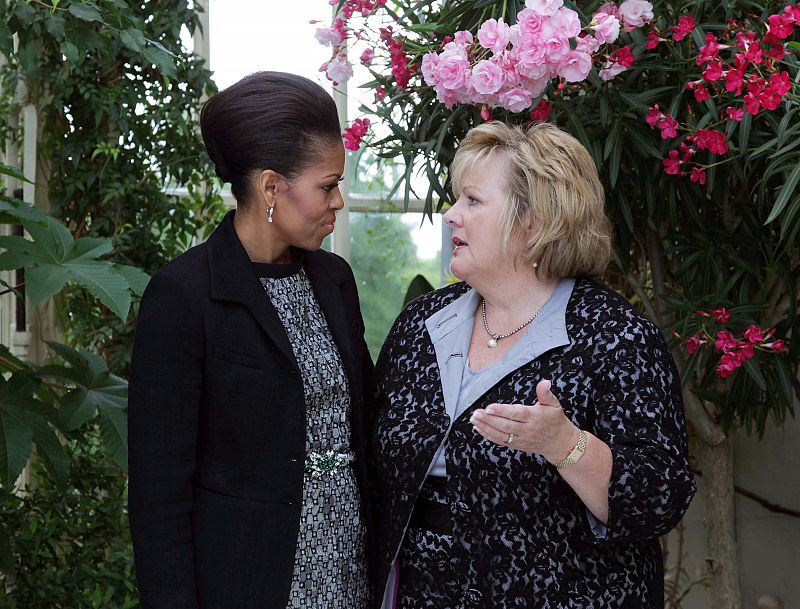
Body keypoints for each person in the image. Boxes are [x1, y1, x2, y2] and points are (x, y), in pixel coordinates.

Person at [371, 121, 696, 609]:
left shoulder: (615, 336)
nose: (451, 215)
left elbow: (659, 499)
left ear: (532, 220)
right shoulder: (421, 323)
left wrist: (564, 444)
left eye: (473, 201)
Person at [128, 71, 374, 609]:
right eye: (327, 185)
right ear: (270, 186)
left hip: (351, 580)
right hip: (246, 585)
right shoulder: (182, 296)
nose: (339, 202)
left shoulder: (335, 281)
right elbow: (157, 494)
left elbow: (365, 428)